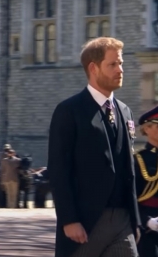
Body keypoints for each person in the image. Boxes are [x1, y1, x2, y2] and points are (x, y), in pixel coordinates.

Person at [48, 36, 140, 257]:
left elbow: (128, 170)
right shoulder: (69, 110)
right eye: (112, 64)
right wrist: (69, 220)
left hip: (122, 221)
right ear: (93, 68)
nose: (120, 70)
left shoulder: (125, 111)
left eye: (121, 64)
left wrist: (135, 220)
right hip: (86, 222)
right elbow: (59, 170)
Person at [134, 106, 158, 257]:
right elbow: (129, 198)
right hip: (148, 227)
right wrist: (147, 221)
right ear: (147, 129)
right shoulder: (138, 160)